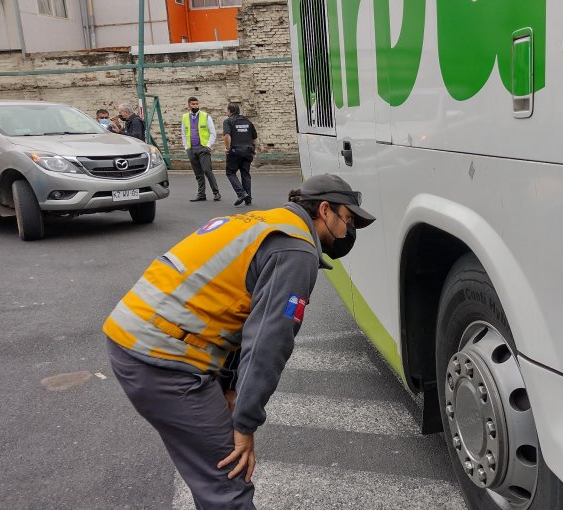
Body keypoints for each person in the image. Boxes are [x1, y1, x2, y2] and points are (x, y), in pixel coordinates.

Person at [103, 174, 375, 509]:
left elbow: (238, 315)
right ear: (324, 210)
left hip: (136, 336)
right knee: (228, 482)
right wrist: (245, 425)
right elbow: (268, 342)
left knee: (209, 474)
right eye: (348, 220)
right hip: (162, 359)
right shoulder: (295, 248)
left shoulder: (265, 221)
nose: (349, 232)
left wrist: (231, 387)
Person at [182, 97, 221, 202]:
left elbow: (213, 132)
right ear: (189, 105)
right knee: (198, 174)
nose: (195, 106)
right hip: (191, 149)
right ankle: (201, 194)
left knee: (207, 170)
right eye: (193, 104)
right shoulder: (185, 117)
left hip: (203, 148)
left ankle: (216, 192)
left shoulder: (206, 116)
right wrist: (186, 147)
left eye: (196, 104)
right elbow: (183, 134)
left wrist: (208, 145)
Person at [223, 103, 258, 207]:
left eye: (227, 110)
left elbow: (227, 136)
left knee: (230, 172)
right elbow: (255, 138)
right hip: (248, 151)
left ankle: (241, 193)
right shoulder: (248, 122)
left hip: (235, 151)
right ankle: (248, 199)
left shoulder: (228, 121)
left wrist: (228, 148)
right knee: (245, 173)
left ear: (230, 111)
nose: (226, 112)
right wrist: (254, 149)